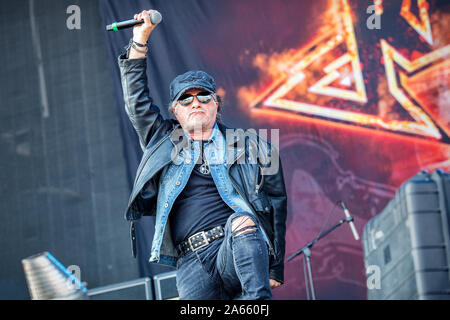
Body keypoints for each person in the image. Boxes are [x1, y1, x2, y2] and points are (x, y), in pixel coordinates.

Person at [118, 9, 287, 300]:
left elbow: (275, 205)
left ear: (216, 105)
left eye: (203, 96)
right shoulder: (162, 140)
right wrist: (140, 39)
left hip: (236, 248)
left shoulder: (253, 146)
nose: (195, 102)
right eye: (185, 98)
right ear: (175, 111)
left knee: (243, 221)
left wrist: (275, 268)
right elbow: (136, 103)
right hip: (191, 262)